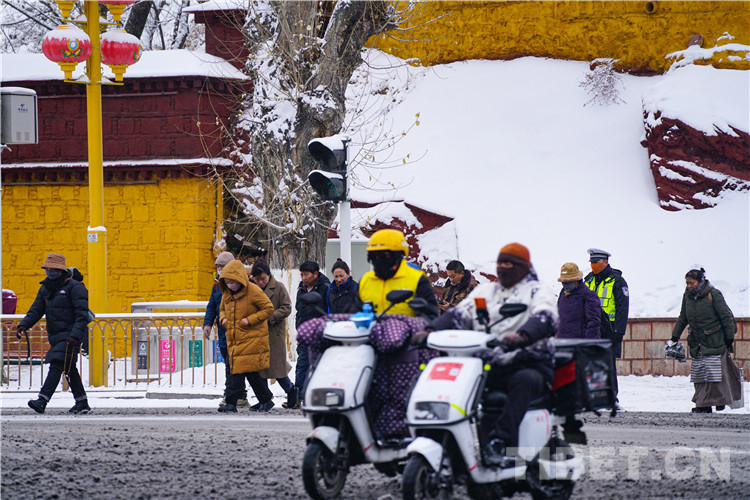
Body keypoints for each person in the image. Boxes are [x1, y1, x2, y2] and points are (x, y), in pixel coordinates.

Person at [428, 243, 558, 465]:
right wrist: (429, 330)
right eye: (500, 263)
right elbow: (459, 314)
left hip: (529, 362)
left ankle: (500, 440)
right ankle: (452, 444)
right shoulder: (486, 291)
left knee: (524, 381)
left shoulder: (537, 291)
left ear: (522, 266)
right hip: (491, 362)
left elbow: (546, 317)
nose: (503, 268)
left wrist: (524, 335)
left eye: (509, 264)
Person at [17, 253, 91, 414]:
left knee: (57, 364)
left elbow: (81, 315)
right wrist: (23, 325)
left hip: (70, 335)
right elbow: (36, 310)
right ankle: (82, 402)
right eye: (48, 269)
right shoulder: (46, 288)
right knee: (69, 368)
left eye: (54, 269)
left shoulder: (75, 287)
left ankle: (42, 400)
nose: (50, 272)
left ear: (62, 270)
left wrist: (75, 335)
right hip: (55, 335)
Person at [669, 268, 738, 413]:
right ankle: (702, 404)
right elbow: (683, 317)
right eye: (687, 283)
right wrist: (674, 337)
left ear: (700, 282)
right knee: (699, 374)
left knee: (714, 373)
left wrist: (728, 338)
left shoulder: (713, 294)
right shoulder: (687, 297)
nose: (689, 286)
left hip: (714, 341)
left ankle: (718, 401)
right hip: (697, 342)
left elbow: (726, 317)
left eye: (692, 283)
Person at [217, 259, 275, 413]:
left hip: (251, 338)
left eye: (232, 282)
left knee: (236, 372)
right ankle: (266, 400)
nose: (230, 285)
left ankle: (231, 403)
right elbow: (222, 309)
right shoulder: (226, 293)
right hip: (235, 338)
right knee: (249, 372)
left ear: (239, 279)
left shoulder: (253, 290)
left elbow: (268, 308)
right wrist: (223, 319)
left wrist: (250, 320)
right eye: (227, 282)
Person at [355, 228, 439, 319]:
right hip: (369, 328)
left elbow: (431, 316)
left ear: (398, 255)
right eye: (374, 256)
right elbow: (352, 312)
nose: (379, 260)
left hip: (407, 328)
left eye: (385, 256)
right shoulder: (365, 280)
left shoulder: (417, 280)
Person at [203, 252, 250, 408]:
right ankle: (239, 396)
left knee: (234, 365)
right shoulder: (217, 285)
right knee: (230, 365)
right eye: (218, 267)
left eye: (222, 266)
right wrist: (207, 324)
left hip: (238, 330)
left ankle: (232, 396)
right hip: (223, 331)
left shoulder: (239, 284)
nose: (220, 269)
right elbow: (211, 306)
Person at [250, 260, 297, 410]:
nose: (260, 282)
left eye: (263, 278)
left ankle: (291, 390)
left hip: (273, 333)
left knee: (277, 367)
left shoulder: (278, 287)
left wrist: (271, 317)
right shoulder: (251, 289)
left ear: (268, 275)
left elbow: (287, 307)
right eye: (257, 279)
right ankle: (264, 398)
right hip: (257, 334)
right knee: (259, 368)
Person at [584, 248, 628, 400]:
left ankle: (611, 397)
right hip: (592, 327)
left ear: (605, 262)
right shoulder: (588, 279)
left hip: (609, 329)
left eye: (596, 262)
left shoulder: (617, 281)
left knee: (608, 364)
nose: (593, 265)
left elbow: (623, 308)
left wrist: (619, 332)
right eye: (591, 262)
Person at [288, 260, 330, 408]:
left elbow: (327, 311)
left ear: (315, 274)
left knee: (321, 367)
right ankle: (298, 398)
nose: (303, 278)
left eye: (306, 274)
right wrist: (300, 332)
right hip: (305, 335)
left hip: (321, 334)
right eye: (301, 275)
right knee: (302, 366)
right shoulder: (301, 289)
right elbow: (299, 312)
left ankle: (321, 397)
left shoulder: (325, 288)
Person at [556, 262, 601, 339]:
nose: (565, 285)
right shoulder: (563, 293)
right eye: (563, 282)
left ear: (576, 280)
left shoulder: (588, 295)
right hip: (562, 342)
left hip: (580, 343)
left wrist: (588, 343)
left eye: (568, 282)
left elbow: (593, 323)